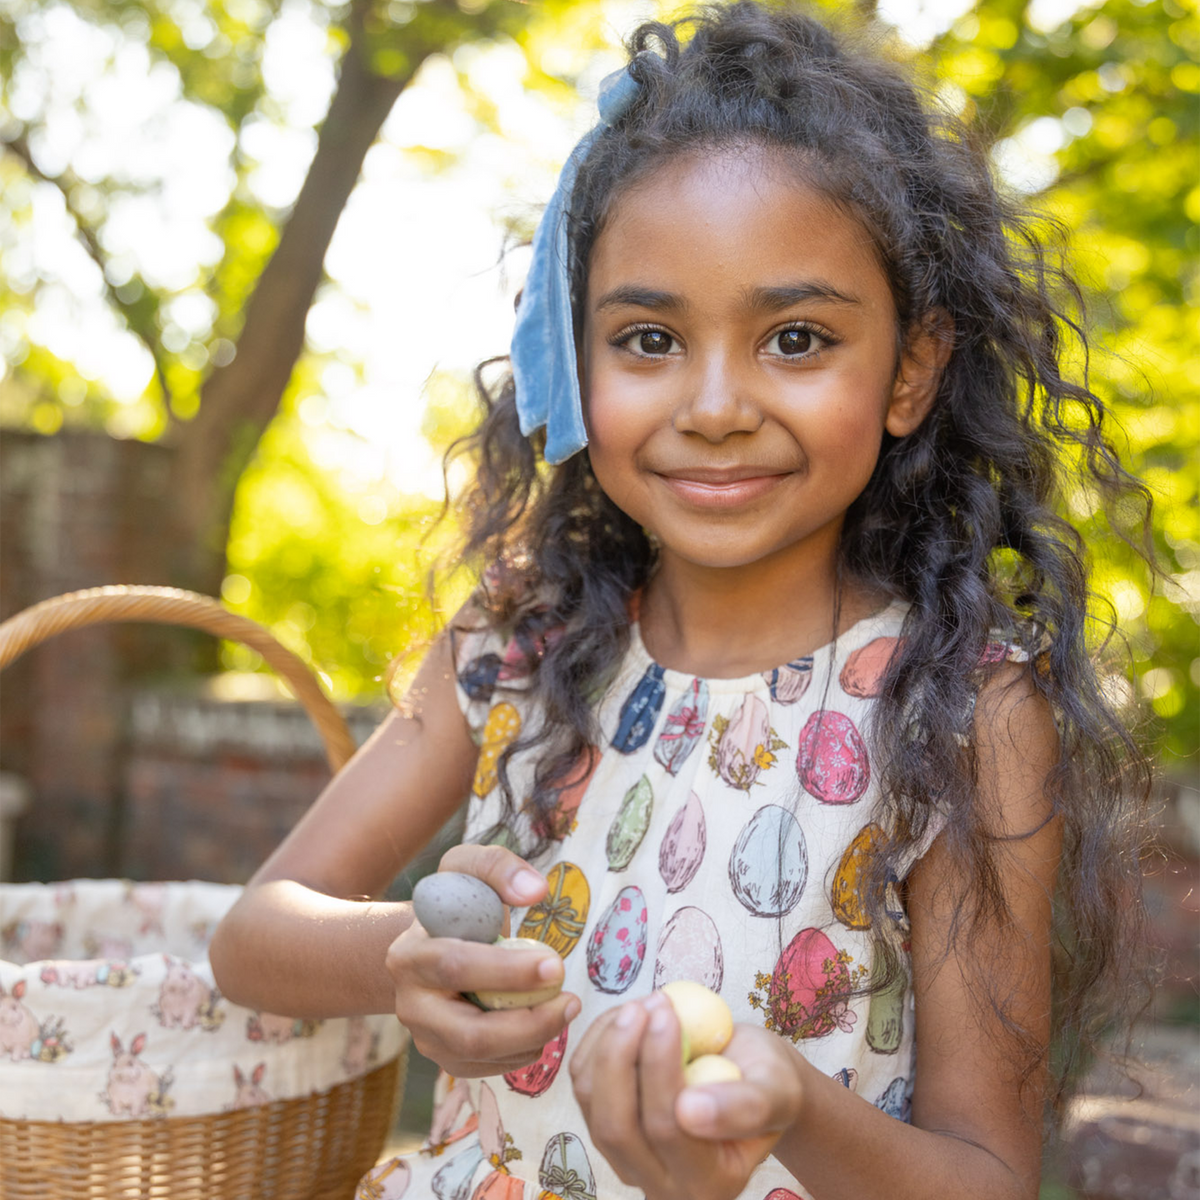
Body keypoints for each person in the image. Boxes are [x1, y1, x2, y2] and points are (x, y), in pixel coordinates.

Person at [209, 4, 1154, 1198]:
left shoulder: (960, 716)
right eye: (648, 338)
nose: (713, 404)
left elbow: (984, 1179)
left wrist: (789, 1106)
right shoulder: (515, 654)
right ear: (575, 355)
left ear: (912, 369)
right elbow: (252, 939)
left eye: (796, 337)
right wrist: (402, 952)